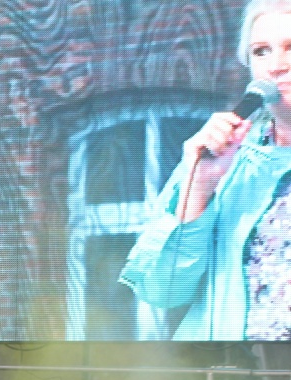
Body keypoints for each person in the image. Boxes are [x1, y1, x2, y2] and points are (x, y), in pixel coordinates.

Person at [119, 0, 291, 340]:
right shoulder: (224, 157)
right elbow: (162, 290)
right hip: (230, 369)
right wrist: (199, 187)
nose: (275, 66)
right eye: (261, 51)